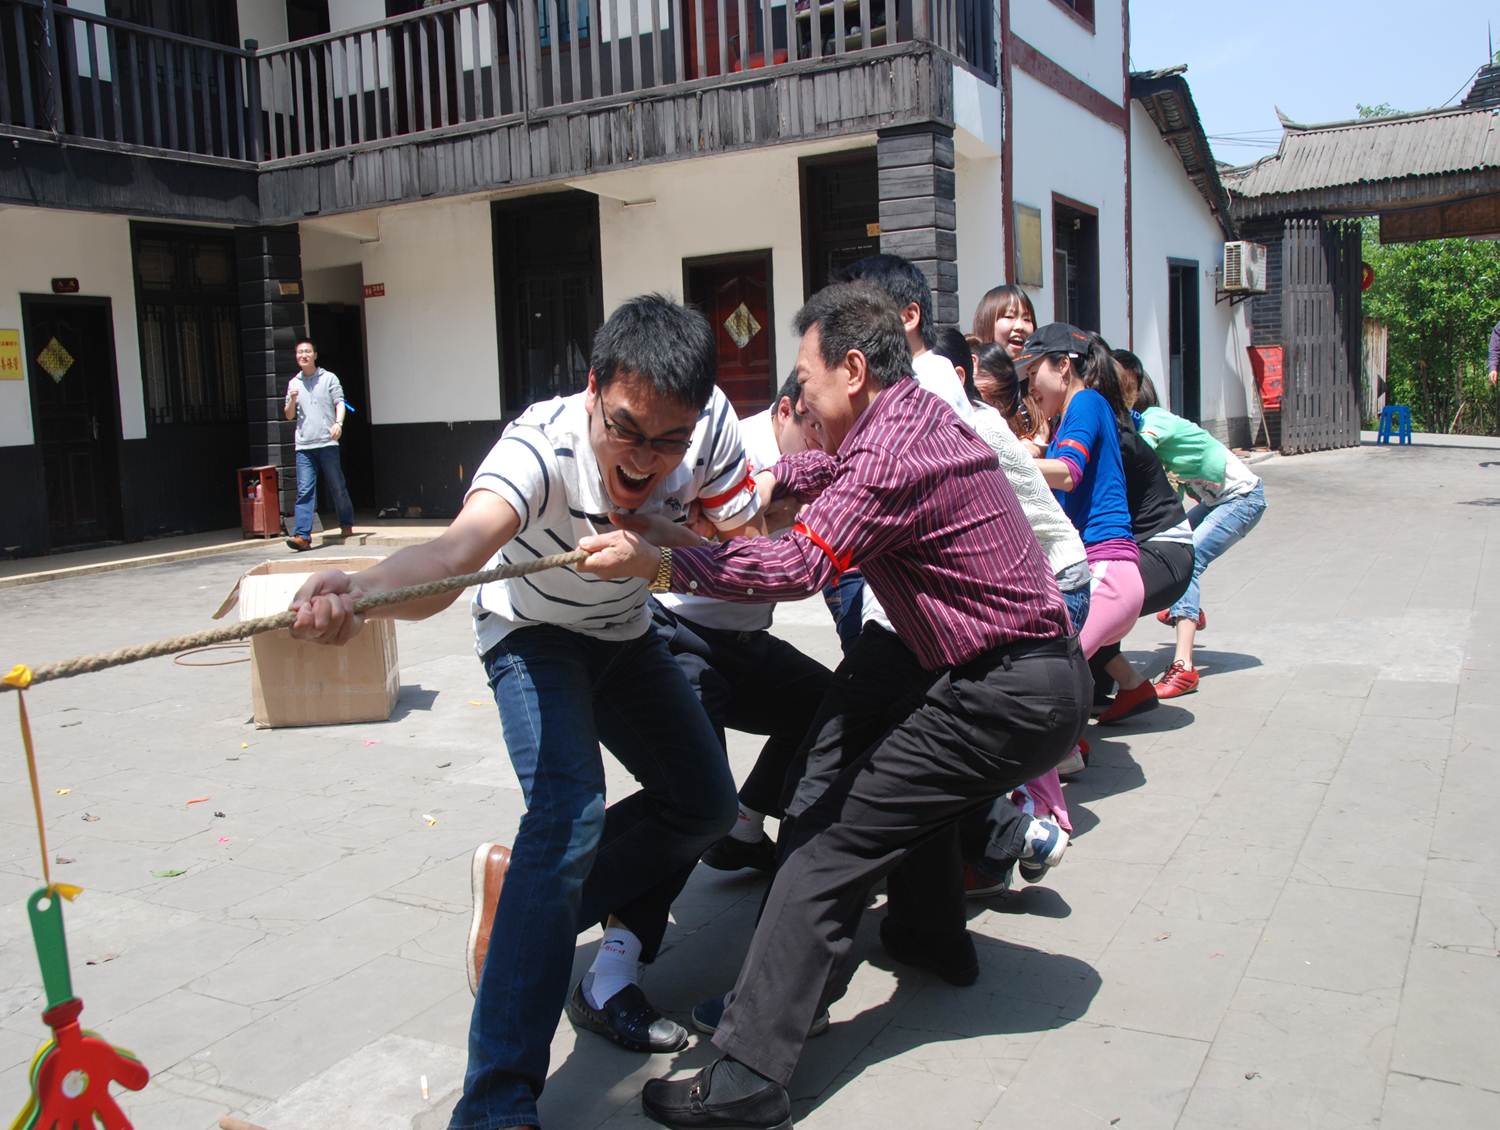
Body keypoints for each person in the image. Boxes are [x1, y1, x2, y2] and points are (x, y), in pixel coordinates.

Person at [576, 282, 1090, 1129]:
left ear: (853, 370)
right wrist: (761, 482)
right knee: (870, 781)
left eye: (807, 381)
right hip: (1000, 674)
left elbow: (797, 567)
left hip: (1004, 690)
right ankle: (927, 937)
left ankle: (747, 1072)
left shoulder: (889, 453)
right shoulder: (909, 419)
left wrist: (659, 563)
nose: (801, 399)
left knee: (830, 838)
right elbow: (824, 469)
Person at [285, 295, 762, 1130]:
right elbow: (453, 554)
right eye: (626, 430)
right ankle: (495, 1105)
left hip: (626, 634)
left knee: (707, 806)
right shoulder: (541, 449)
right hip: (531, 634)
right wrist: (360, 593)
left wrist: (657, 551)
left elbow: (735, 551)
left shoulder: (712, 429)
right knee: (567, 818)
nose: (644, 459)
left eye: (666, 442)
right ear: (593, 390)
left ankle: (522, 906)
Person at [645, 373, 834, 874]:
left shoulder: (809, 465)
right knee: (698, 799)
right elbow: (667, 547)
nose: (822, 445)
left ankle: (743, 827)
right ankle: (588, 896)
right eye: (815, 429)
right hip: (681, 632)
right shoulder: (730, 449)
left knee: (828, 704)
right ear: (786, 410)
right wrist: (769, 522)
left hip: (747, 641)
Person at [934, 327, 1089, 893]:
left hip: (1053, 578)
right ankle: (1036, 827)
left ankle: (1022, 836)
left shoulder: (966, 427)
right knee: (1014, 719)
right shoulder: (973, 420)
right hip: (1054, 574)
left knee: (1001, 720)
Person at [1020, 324, 1144, 771]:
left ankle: (1052, 764)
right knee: (1054, 669)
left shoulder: (1086, 402)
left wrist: (1006, 459)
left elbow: (1069, 471)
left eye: (1034, 372)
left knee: (1046, 673)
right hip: (1103, 571)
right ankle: (1066, 753)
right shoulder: (1072, 414)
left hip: (1105, 568)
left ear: (1063, 366)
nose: (1031, 387)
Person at [1135, 374, 1268, 698]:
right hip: (1216, 502)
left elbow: (1135, 458)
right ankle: (1188, 608)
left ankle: (1184, 668)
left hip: (1242, 499)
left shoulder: (1154, 420)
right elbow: (1170, 498)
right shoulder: (1150, 428)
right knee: (1177, 548)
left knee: (1187, 563)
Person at [1088, 350, 1196, 724]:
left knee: (1086, 607)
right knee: (1093, 604)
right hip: (1153, 549)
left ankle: (1070, 727)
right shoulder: (1114, 430)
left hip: (1163, 551)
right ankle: (1124, 688)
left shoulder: (1117, 439)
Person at [283, 338, 355, 551]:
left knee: (337, 486)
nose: (303, 355)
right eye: (299, 352)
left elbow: (340, 402)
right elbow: (288, 415)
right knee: (305, 490)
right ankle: (302, 536)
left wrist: (338, 424)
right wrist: (292, 400)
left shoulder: (329, 378)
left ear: (315, 355)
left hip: (327, 442)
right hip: (303, 446)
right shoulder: (293, 383)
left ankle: (346, 522)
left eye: (307, 351)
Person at [971, 283, 1048, 452]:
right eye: (1009, 316)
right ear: (986, 322)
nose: (1020, 326)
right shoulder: (975, 383)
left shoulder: (1035, 384)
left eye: (1027, 319)